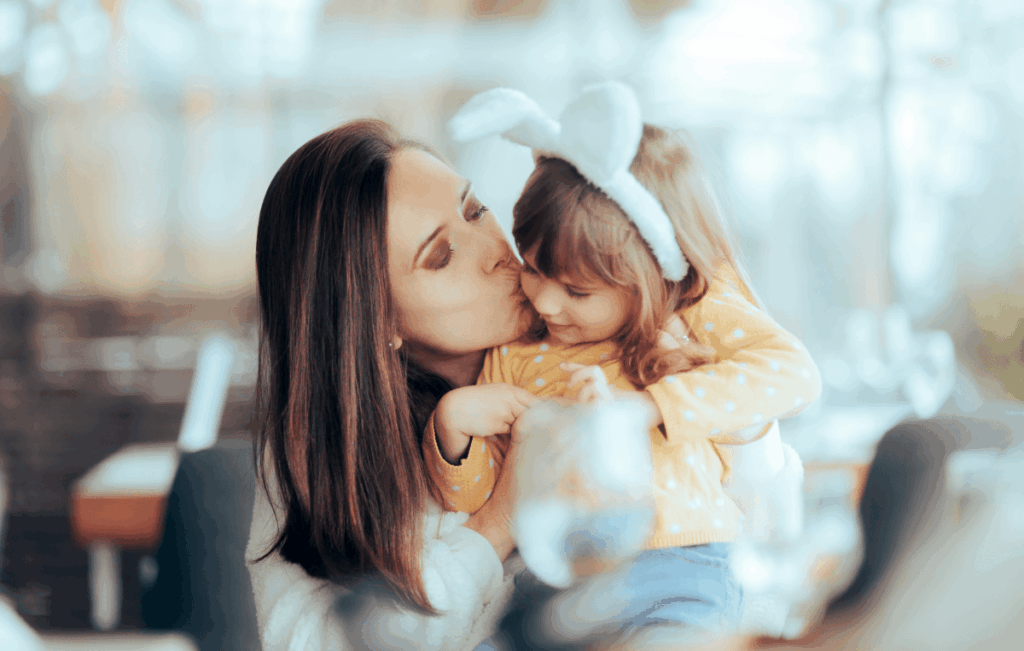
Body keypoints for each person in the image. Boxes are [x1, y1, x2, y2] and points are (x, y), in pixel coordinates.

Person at [425, 83, 821, 640]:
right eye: (535, 268)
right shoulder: (514, 356)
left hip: (685, 567)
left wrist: (644, 408)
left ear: (651, 277)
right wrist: (454, 431)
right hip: (558, 581)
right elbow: (485, 502)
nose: (543, 301)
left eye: (577, 291)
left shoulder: (682, 317)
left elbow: (794, 375)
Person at [245, 119, 543, 651]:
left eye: (474, 210)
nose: (497, 250)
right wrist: (496, 526)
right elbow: (310, 643)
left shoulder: (589, 357)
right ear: (377, 321)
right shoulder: (323, 451)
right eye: (442, 256)